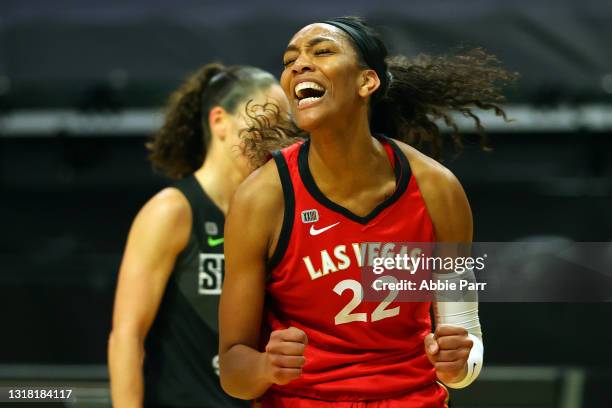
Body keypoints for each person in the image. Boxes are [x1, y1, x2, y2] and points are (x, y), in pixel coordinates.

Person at [219, 17, 517, 407]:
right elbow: (232, 369)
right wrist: (265, 368)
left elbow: (465, 344)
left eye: (322, 51)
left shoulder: (437, 189)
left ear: (367, 82)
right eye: (290, 60)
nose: (299, 65)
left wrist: (458, 364)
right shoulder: (262, 198)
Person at [108, 63, 290, 408]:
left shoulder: (272, 217)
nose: (277, 139)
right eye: (268, 123)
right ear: (219, 120)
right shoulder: (172, 211)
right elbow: (126, 337)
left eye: (286, 127)